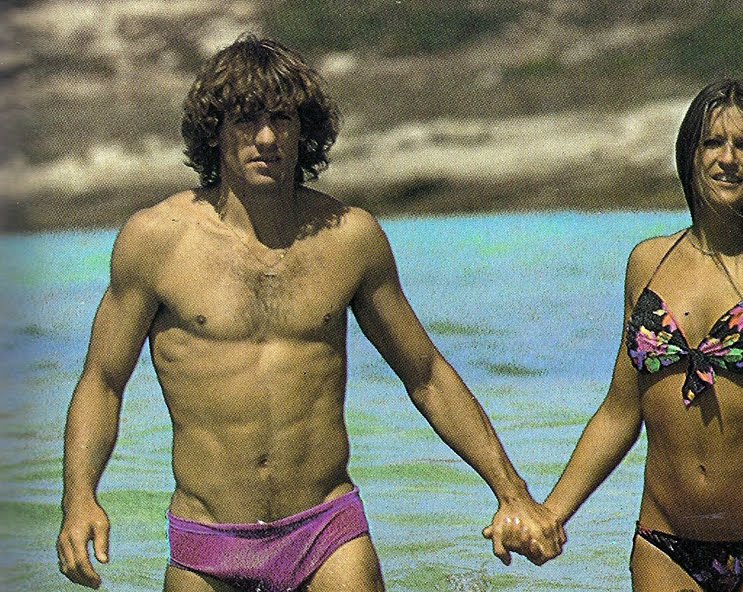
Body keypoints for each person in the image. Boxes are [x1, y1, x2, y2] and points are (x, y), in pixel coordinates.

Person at [56, 34, 563, 591]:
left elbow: (425, 374)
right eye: (246, 120)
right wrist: (80, 498)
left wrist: (513, 493)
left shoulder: (350, 238)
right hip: (208, 538)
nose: (266, 138)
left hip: (326, 529)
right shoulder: (155, 241)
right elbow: (103, 381)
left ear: (305, 131)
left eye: (283, 119)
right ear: (215, 131)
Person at [486, 79, 743, 591]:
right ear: (690, 153)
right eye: (713, 143)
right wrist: (552, 512)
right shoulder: (648, 264)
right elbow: (620, 412)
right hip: (665, 548)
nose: (728, 158)